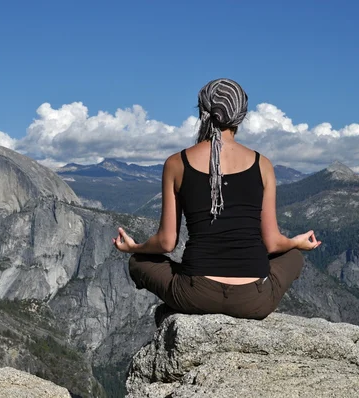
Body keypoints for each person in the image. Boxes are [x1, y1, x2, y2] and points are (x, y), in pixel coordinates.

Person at [113, 78, 321, 320]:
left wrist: (134, 248)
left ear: (203, 112)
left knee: (139, 262)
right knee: (293, 255)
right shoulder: (262, 164)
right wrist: (296, 242)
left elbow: (167, 242)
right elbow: (273, 244)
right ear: (240, 117)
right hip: (254, 299)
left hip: (195, 294)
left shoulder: (176, 163)